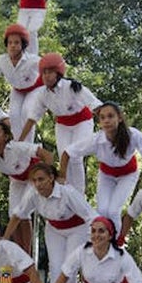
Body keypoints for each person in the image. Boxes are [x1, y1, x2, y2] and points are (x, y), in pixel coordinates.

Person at [60, 101, 142, 231]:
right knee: (102, 210)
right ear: (99, 122)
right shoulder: (96, 139)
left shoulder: (132, 135)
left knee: (112, 211)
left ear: (120, 118)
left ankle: (117, 244)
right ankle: (104, 241)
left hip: (128, 175)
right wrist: (61, 176)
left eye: (110, 116)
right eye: (102, 118)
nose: (106, 120)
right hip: (106, 175)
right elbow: (68, 152)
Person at [4, 162, 95, 283]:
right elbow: (17, 214)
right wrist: (5, 238)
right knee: (55, 267)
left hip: (77, 229)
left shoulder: (67, 193)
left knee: (69, 267)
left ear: (51, 178)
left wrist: (98, 238)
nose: (38, 184)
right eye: (34, 181)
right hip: (53, 229)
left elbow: (90, 215)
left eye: (41, 179)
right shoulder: (32, 194)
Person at [20, 54, 102, 193]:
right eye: (44, 72)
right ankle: (68, 192)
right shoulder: (42, 94)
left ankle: (79, 195)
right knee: (64, 157)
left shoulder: (72, 86)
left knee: (75, 156)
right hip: (63, 125)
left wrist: (109, 127)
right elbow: (33, 118)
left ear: (58, 73)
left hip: (82, 121)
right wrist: (20, 140)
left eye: (50, 72)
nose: (46, 76)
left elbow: (95, 104)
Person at [0, 119, 54, 252]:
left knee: (23, 212)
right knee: (13, 215)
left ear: (6, 136)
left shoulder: (16, 147)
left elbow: (46, 154)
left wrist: (50, 178)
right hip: (16, 181)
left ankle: (26, 253)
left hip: (32, 177)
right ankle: (18, 251)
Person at [0, 24, 41, 141]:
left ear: (22, 45)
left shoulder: (32, 60)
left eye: (16, 43)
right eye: (10, 43)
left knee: (27, 113)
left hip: (34, 89)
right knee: (14, 116)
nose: (13, 46)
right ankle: (17, 144)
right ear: (6, 44)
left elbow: (49, 68)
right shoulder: (3, 61)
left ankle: (28, 147)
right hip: (17, 90)